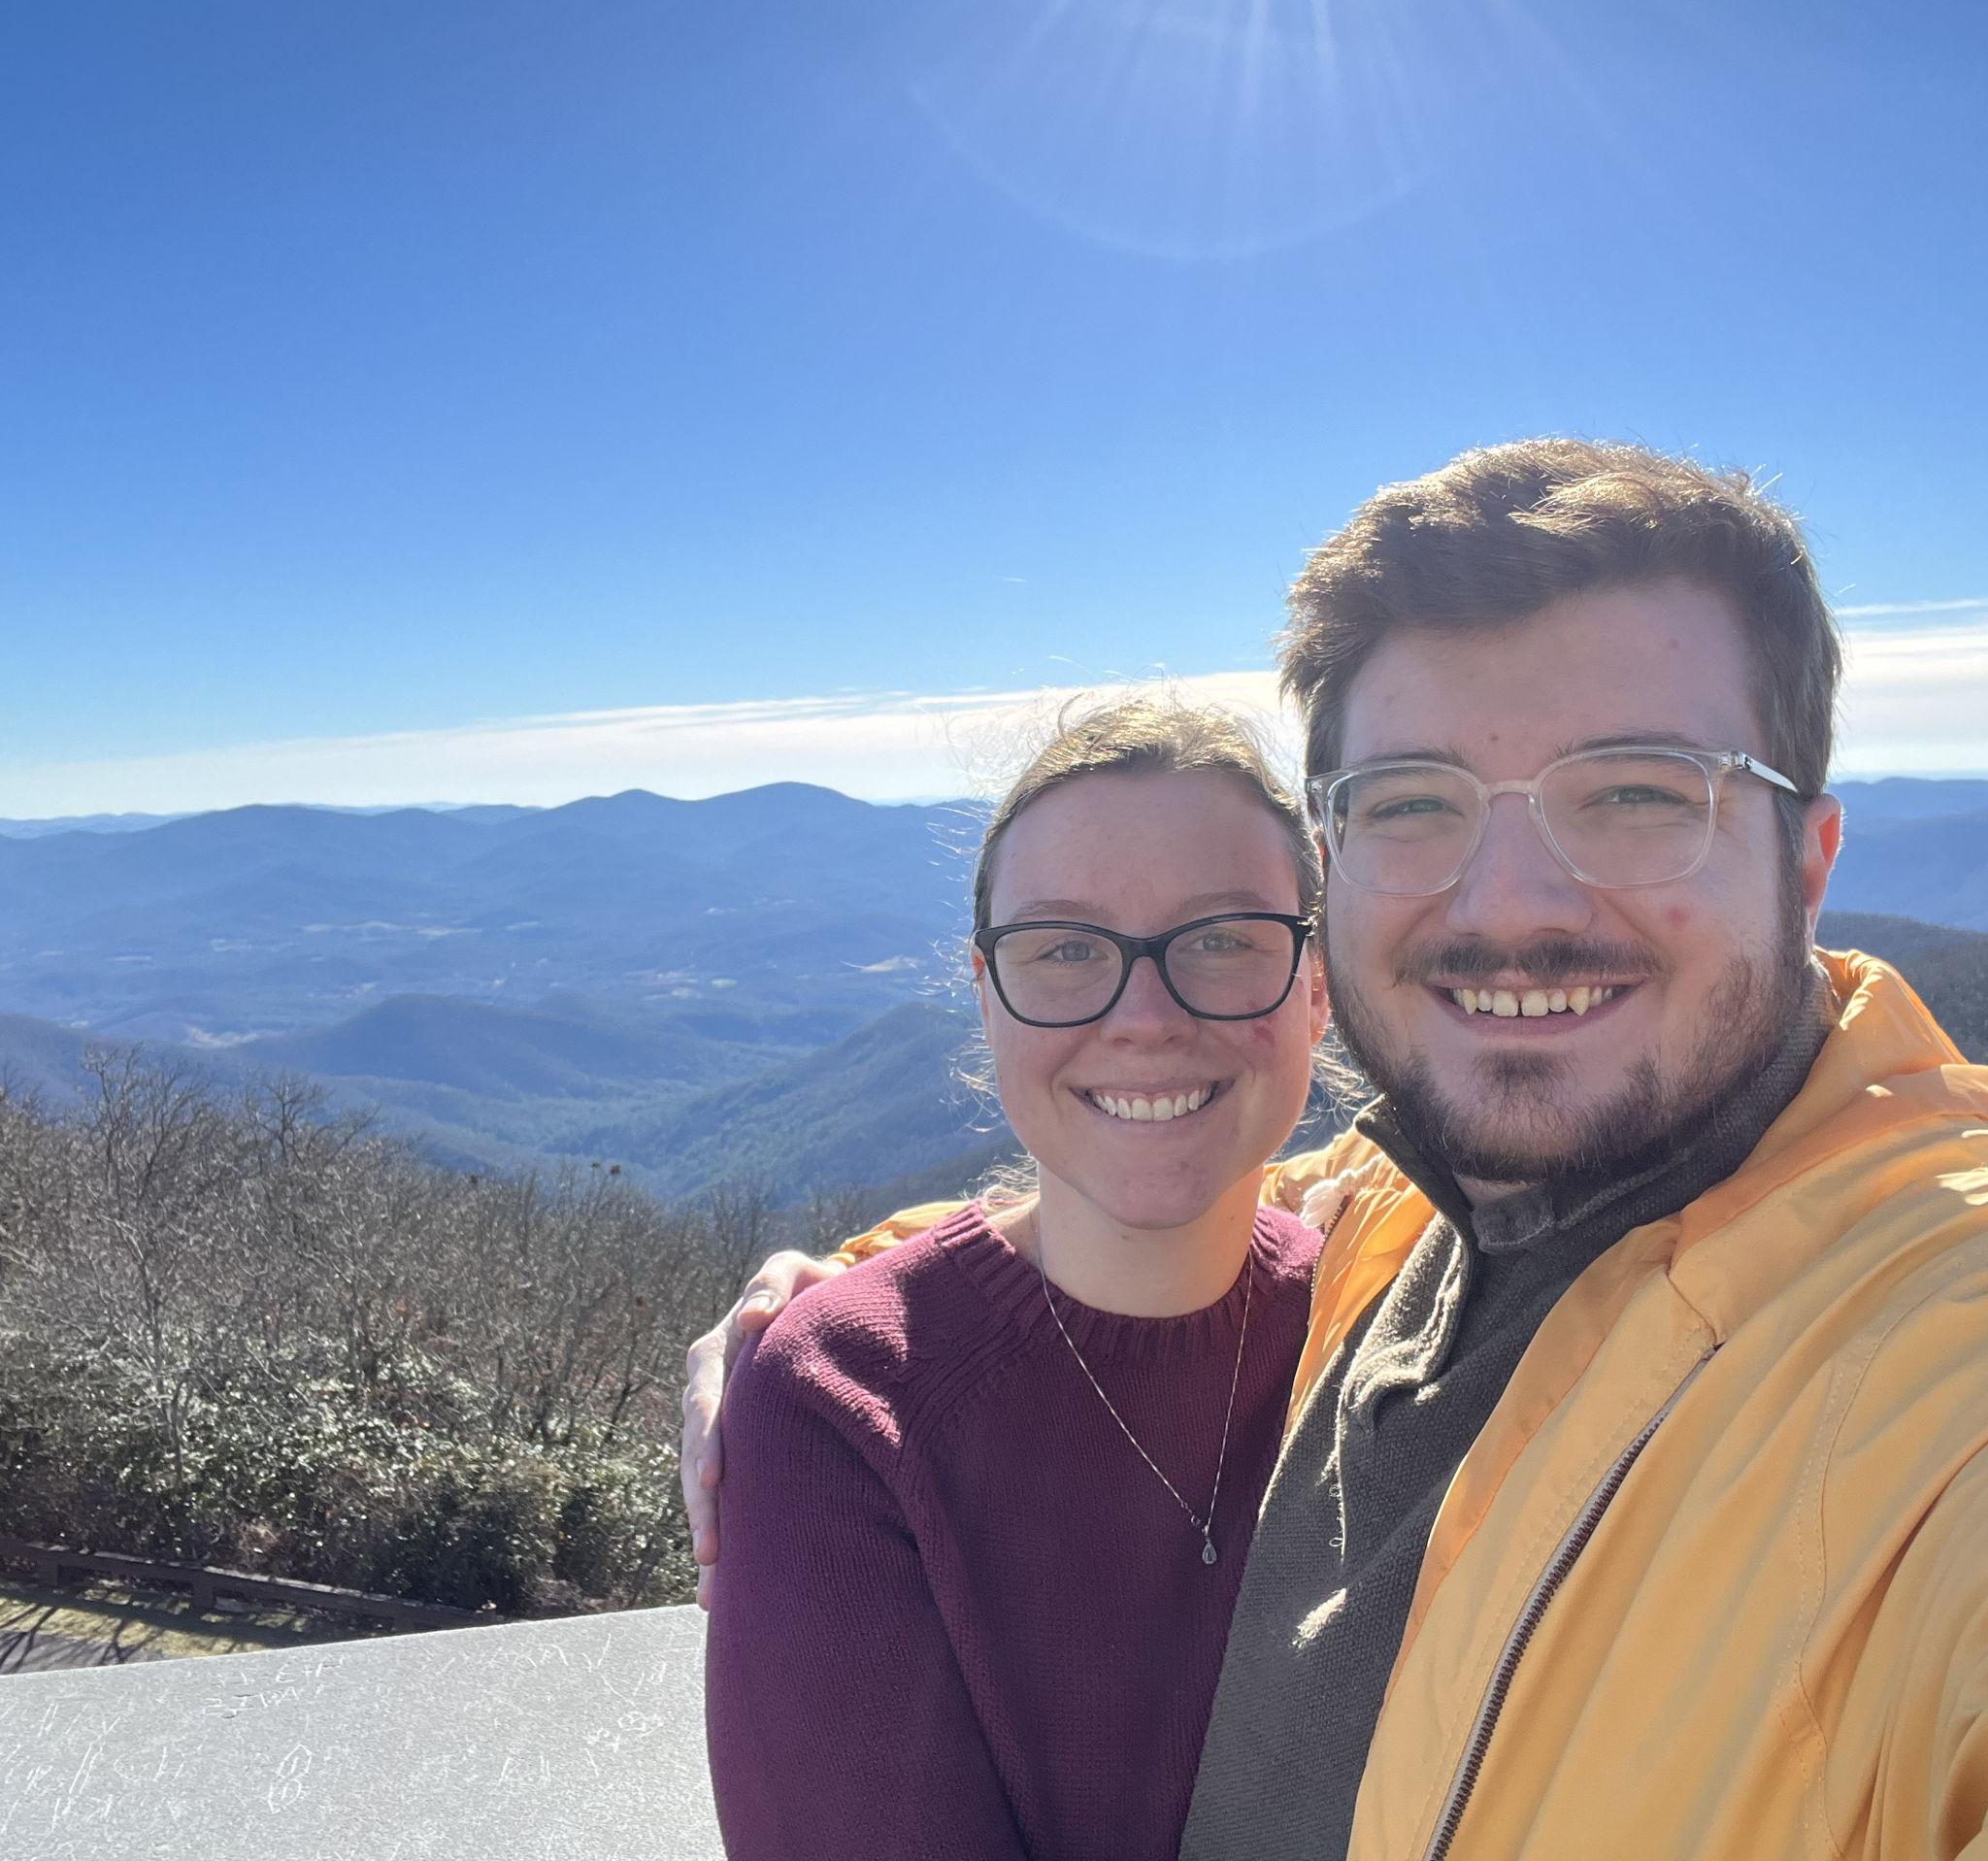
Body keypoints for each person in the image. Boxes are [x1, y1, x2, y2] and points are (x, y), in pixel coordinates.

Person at [687, 439, 1988, 1859]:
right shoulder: (1395, 1219)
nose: (1509, 904)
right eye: (1413, 802)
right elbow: (1147, 1211)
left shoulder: (1926, 1352)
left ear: (1808, 857)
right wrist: (835, 1319)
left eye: (1636, 791)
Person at [704, 698, 1330, 1858]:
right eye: (1064, 948)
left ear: (1316, 984)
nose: (1144, 1017)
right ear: (986, 992)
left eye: (1220, 937)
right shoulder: (842, 1401)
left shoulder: (1387, 1334)